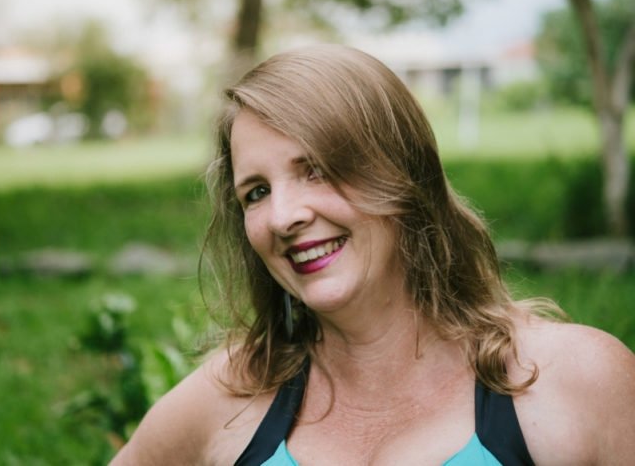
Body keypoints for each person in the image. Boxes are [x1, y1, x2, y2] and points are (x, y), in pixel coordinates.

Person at [111, 45, 635, 465]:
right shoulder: (227, 399)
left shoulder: (575, 381)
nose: (282, 216)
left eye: (315, 168)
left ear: (401, 172)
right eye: (257, 192)